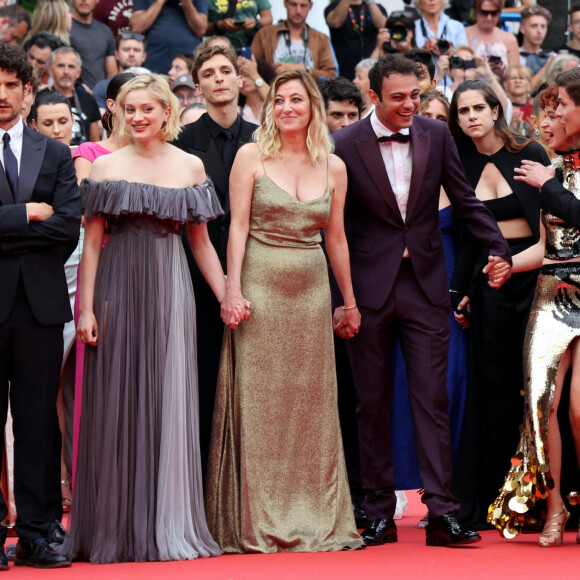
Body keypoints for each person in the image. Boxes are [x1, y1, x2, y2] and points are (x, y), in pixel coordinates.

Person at [332, 54, 512, 548]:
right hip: (367, 288)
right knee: (372, 402)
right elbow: (336, 227)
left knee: (433, 398)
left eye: (416, 94)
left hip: (427, 282)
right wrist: (341, 295)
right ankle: (377, 513)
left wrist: (498, 247)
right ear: (373, 97)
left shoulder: (435, 134)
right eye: (398, 97)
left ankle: (443, 514)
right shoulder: (344, 143)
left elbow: (464, 197)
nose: (411, 104)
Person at [63, 73, 224, 563]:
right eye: (128, 110)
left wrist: (227, 296)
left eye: (146, 109)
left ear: (166, 111)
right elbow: (91, 244)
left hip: (172, 289)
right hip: (116, 286)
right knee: (117, 400)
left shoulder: (191, 166)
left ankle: (167, 524)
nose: (136, 118)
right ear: (117, 112)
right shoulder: (106, 168)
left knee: (168, 397)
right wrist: (85, 308)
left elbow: (201, 243)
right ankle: (116, 529)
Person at [206, 68, 363, 553]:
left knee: (310, 404)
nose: (288, 107)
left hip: (312, 289)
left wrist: (348, 301)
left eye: (297, 99)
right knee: (259, 403)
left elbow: (335, 237)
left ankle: (316, 515)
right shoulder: (251, 155)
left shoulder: (333, 165)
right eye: (279, 101)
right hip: (260, 284)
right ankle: (257, 518)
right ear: (270, 107)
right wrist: (231, 289)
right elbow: (235, 228)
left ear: (312, 105)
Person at [447, 79, 549, 530]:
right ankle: (497, 495)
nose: (470, 117)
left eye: (477, 108)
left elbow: (549, 225)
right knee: (494, 386)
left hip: (537, 278)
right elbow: (469, 237)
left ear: (495, 110)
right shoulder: (460, 162)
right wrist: (463, 290)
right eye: (462, 110)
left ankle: (544, 496)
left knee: (538, 386)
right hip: (490, 282)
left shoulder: (530, 153)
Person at [488, 68, 580, 546]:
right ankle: (555, 508)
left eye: (560, 105)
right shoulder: (551, 166)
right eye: (549, 107)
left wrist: (549, 185)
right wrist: (508, 264)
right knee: (541, 406)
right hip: (550, 293)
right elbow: (547, 246)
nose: (552, 115)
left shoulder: (550, 176)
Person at [0, 43, 80, 570]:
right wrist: (25, 214)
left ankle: (36, 531)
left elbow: (67, 227)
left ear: (27, 91)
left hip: (40, 308)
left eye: (10, 85)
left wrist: (12, 224)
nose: (1, 95)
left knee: (36, 424)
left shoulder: (52, 151)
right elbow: (44, 222)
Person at [173, 45, 257, 478]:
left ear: (240, 80)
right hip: (193, 277)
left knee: (257, 381)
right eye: (209, 73)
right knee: (203, 377)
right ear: (198, 86)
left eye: (227, 71)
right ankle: (205, 485)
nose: (219, 78)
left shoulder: (264, 139)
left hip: (257, 275)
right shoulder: (181, 144)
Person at [251, 0, 336, 81]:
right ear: (285, 3)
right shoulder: (265, 34)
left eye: (303, 5)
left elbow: (331, 76)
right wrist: (272, 69)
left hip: (310, 94)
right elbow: (251, 68)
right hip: (272, 92)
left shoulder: (321, 38)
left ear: (310, 6)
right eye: (294, 4)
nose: (298, 11)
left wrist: (305, 70)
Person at [130, 0, 207, 74]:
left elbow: (201, 30)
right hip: (154, 66)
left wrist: (186, 3)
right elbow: (137, 28)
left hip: (188, 68)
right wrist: (160, 1)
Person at [49, 47, 101, 146]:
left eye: (71, 67)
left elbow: (95, 143)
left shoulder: (88, 100)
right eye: (61, 66)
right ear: (51, 70)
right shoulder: (40, 99)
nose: (66, 71)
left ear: (78, 73)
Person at [325, 0, 387, 81]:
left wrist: (370, 2)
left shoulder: (376, 7)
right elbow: (335, 22)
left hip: (370, 70)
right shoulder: (333, 7)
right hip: (343, 72)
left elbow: (383, 26)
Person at [92, 32, 148, 112]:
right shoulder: (103, 87)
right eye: (126, 49)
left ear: (144, 56)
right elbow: (101, 122)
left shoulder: (154, 86)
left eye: (137, 50)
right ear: (116, 54)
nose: (131, 54)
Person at [466, 0, 519, 80]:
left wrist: (502, 74)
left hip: (500, 90)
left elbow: (516, 76)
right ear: (475, 11)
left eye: (494, 13)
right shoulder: (464, 34)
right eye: (484, 13)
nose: (489, 17)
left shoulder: (510, 39)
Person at [70, 0, 117, 89]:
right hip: (70, 96)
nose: (84, 0)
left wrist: (103, 95)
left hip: (99, 98)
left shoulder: (105, 31)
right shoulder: (63, 28)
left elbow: (112, 75)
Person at [206, 0, 272, 50]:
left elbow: (268, 18)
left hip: (252, 46)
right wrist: (219, 25)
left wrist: (255, 22)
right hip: (221, 48)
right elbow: (200, 29)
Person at [518, 6, 552, 82]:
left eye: (543, 26)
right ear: (522, 28)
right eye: (534, 26)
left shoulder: (553, 57)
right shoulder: (513, 56)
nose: (539, 31)